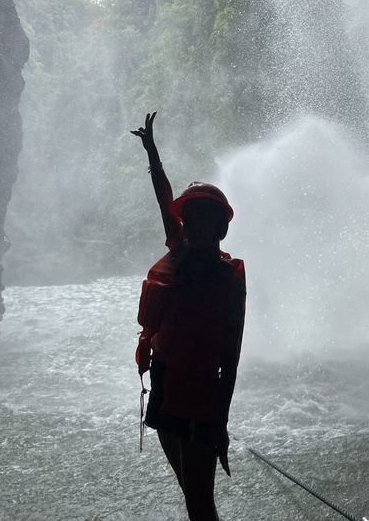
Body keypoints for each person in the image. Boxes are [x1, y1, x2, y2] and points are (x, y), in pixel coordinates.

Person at [131, 112, 246, 521]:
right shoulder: (179, 248)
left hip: (201, 395)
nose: (196, 224)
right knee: (191, 493)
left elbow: (230, 359)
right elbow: (164, 201)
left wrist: (221, 422)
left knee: (200, 501)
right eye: (191, 217)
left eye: (206, 218)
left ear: (221, 229)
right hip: (164, 384)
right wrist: (153, 154)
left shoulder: (228, 277)